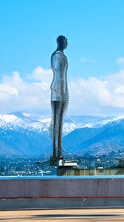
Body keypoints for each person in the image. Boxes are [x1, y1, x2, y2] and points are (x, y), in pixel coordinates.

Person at [50, 35, 68, 163]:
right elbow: (57, 73)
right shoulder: (56, 55)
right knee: (57, 121)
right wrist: (59, 90)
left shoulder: (63, 56)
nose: (67, 43)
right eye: (65, 41)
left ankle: (59, 150)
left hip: (63, 90)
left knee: (60, 122)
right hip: (57, 91)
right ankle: (55, 151)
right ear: (60, 42)